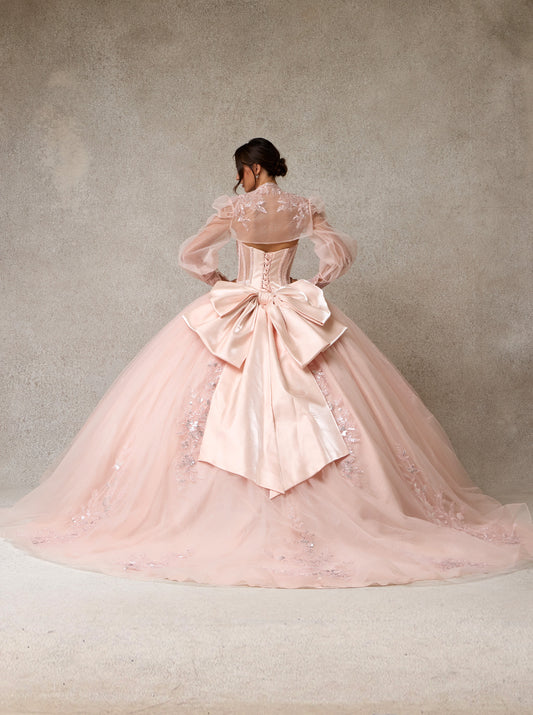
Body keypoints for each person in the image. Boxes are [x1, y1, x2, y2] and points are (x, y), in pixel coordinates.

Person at [1, 137, 532, 589]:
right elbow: (338, 252)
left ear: (252, 169)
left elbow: (191, 253)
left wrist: (222, 283)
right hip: (293, 306)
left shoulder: (236, 211)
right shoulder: (302, 208)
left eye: (241, 173)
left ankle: (222, 506)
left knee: (200, 410)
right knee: (331, 406)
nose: (240, 182)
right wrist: (312, 285)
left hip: (240, 308)